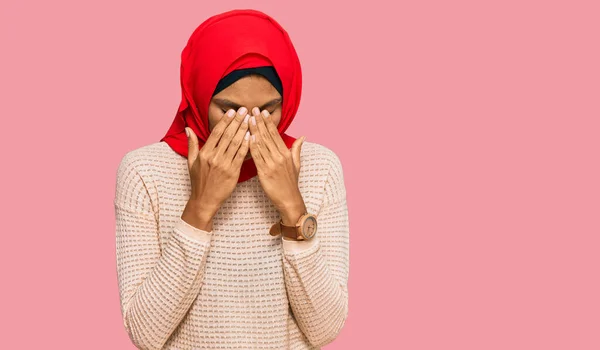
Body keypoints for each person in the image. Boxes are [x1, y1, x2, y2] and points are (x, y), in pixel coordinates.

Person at [114, 9, 349, 350]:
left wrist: (292, 207)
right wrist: (201, 207)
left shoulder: (319, 167)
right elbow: (145, 334)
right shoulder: (143, 171)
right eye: (229, 110)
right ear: (199, 93)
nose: (251, 127)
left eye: (268, 110)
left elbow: (325, 329)